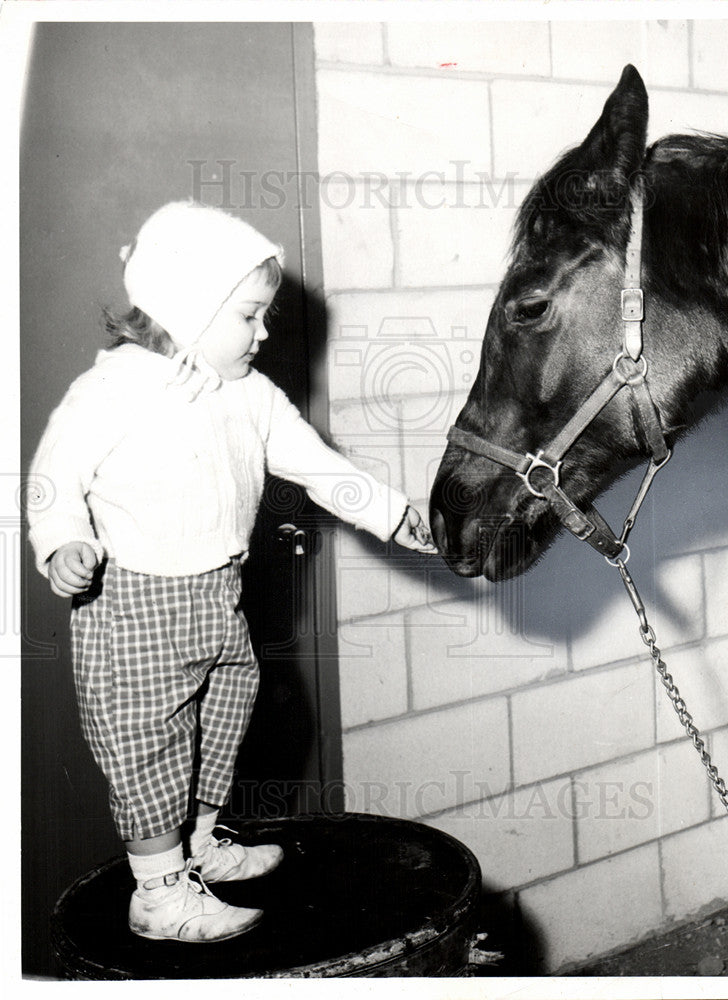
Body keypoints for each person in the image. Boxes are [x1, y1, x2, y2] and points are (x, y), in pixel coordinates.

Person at [27, 201, 436, 944]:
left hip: (218, 596)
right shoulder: (112, 392)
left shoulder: (250, 397)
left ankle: (200, 845)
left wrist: (391, 513)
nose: (265, 332)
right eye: (249, 316)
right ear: (187, 309)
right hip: (135, 605)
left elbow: (317, 466)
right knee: (147, 741)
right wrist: (61, 542)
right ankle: (156, 893)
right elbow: (53, 477)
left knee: (223, 718)